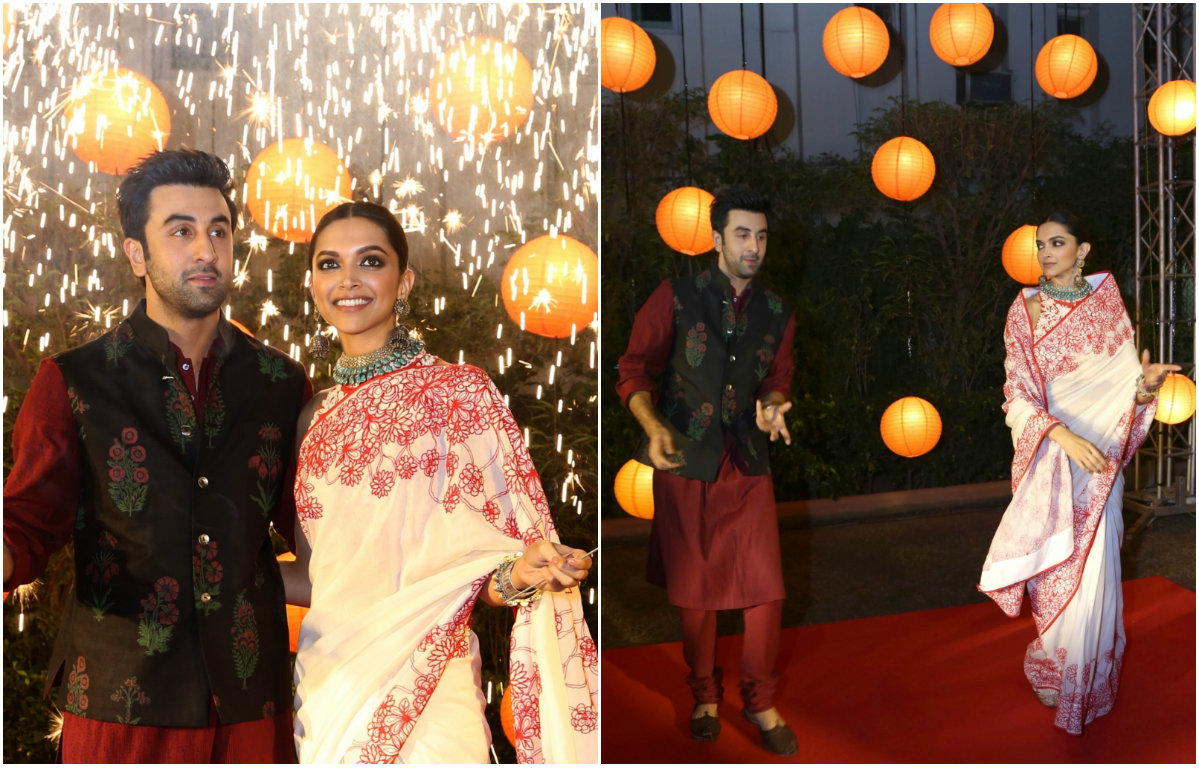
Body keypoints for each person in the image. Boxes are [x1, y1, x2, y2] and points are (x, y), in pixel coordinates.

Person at [3, 149, 311, 761]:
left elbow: (324, 534)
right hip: (120, 703)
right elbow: (27, 522)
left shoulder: (281, 384)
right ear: (136, 254)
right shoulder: (73, 380)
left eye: (218, 231)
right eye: (180, 231)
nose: (206, 250)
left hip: (252, 702)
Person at [280, 201, 598, 764]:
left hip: (433, 684)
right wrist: (216, 567)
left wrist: (523, 573)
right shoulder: (313, 417)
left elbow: (482, 577)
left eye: (370, 261)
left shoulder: (460, 395)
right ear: (313, 285)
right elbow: (313, 576)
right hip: (329, 685)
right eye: (329, 264)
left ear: (404, 282)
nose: (348, 280)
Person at [978, 211, 1178, 734]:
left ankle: (1088, 677)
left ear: (1082, 250)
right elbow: (1017, 393)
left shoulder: (1106, 300)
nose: (1046, 253)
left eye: (1057, 243)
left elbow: (1126, 388)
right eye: (1040, 245)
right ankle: (1053, 662)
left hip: (1102, 455)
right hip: (1054, 454)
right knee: (1057, 568)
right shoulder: (1025, 308)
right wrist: (1061, 436)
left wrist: (1146, 387)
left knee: (1098, 564)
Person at [615, 187, 799, 756]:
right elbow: (634, 369)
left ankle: (760, 699)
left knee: (765, 591)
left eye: (761, 235)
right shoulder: (674, 296)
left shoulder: (778, 312)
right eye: (742, 234)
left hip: (747, 460)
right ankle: (705, 696)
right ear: (716, 238)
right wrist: (652, 425)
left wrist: (772, 407)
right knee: (696, 595)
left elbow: (777, 380)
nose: (754, 246)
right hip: (685, 459)